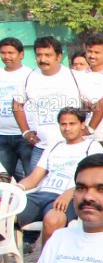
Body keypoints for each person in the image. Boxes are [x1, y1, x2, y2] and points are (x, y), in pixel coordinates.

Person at [16, 108, 103, 243]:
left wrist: (71, 192)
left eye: (72, 124)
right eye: (63, 124)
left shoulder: (92, 146)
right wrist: (16, 189)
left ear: (82, 125)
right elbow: (34, 178)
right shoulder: (53, 146)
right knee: (3, 211)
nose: (67, 128)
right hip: (41, 194)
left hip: (67, 197)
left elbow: (94, 179)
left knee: (53, 220)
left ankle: (47, 262)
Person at [12, 36, 85, 168]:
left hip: (71, 148)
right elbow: (17, 104)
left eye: (48, 55)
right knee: (35, 186)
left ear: (58, 57)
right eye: (39, 55)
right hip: (41, 148)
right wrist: (25, 132)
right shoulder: (29, 77)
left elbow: (99, 103)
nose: (43, 59)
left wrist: (89, 128)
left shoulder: (75, 76)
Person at [0, 37, 34, 180]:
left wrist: (27, 132)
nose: (6, 56)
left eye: (11, 52)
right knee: (3, 180)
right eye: (3, 53)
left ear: (21, 54)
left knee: (31, 177)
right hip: (2, 136)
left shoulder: (30, 75)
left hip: (26, 136)